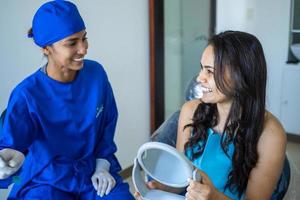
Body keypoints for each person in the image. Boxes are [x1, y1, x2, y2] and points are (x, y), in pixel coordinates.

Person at [0, 1, 134, 199]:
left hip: (93, 173)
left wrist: (103, 164)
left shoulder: (96, 75)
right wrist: (10, 161)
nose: (83, 49)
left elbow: (107, 123)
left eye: (84, 38)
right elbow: (10, 149)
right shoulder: (26, 94)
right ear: (46, 49)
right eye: (72, 43)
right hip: (47, 181)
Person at [135, 30, 287, 200]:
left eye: (210, 71)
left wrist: (214, 197)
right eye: (202, 68)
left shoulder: (271, 135)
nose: (200, 78)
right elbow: (182, 179)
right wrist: (159, 189)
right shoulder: (190, 111)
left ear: (242, 75)